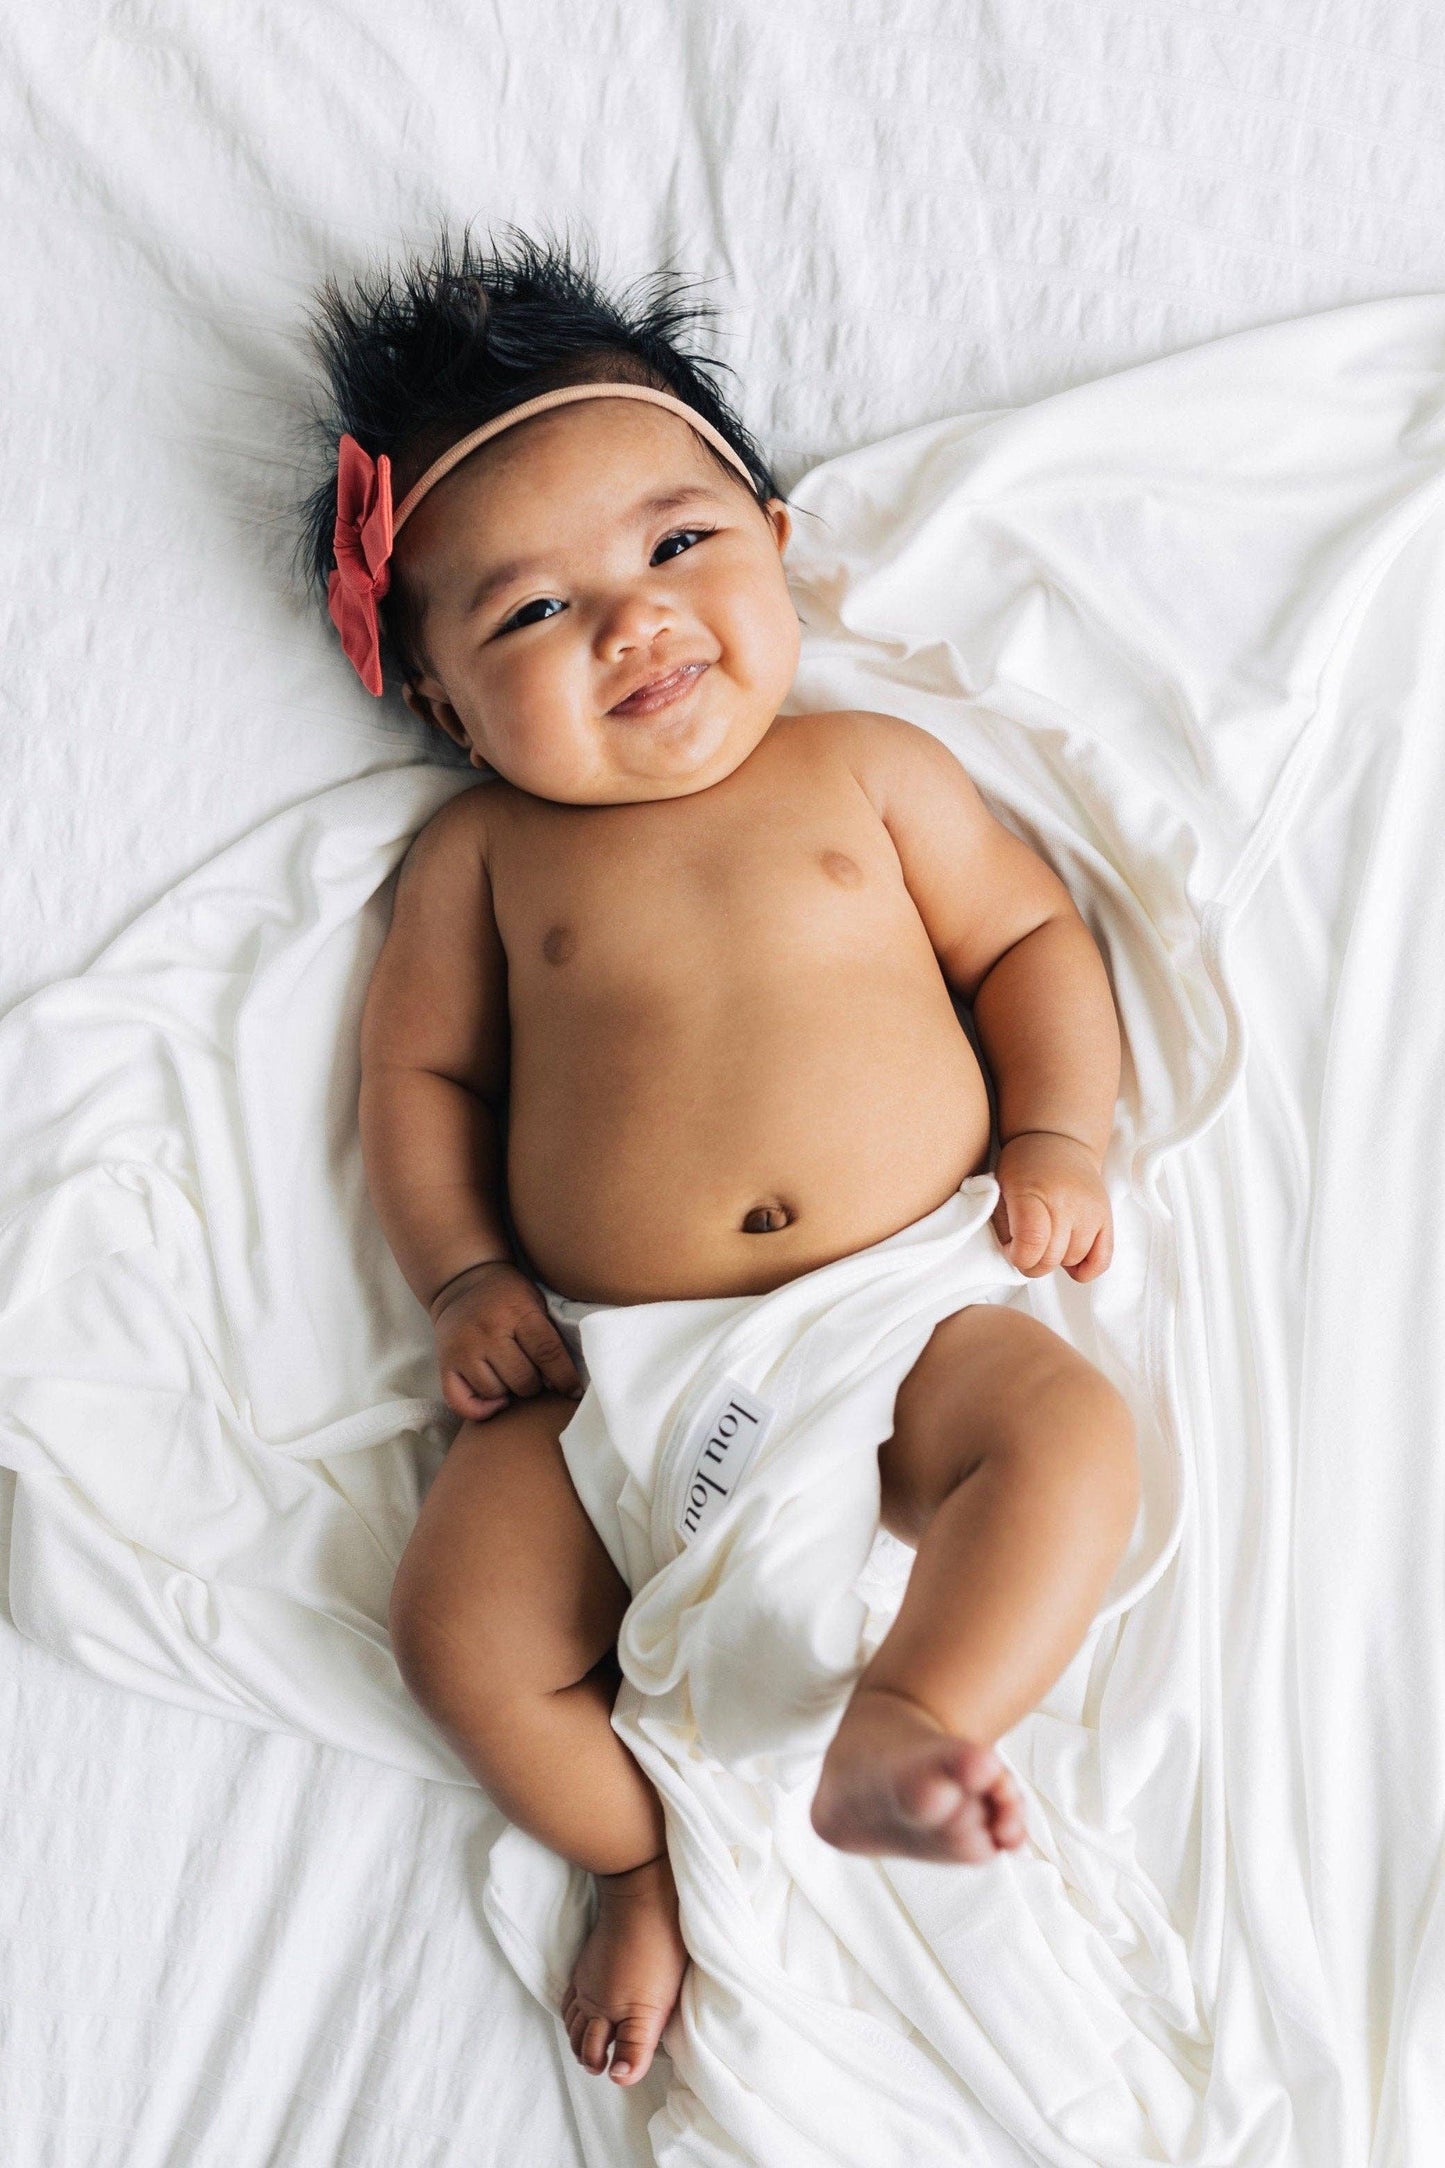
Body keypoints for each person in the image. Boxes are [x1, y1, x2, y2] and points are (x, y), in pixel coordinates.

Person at [302, 228, 1140, 2094]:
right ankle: (639, 1861)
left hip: (899, 1305)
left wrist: (1053, 1132)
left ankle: (912, 1715)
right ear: (437, 699)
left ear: (770, 537)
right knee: (456, 1631)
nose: (633, 624)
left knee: (1069, 1443)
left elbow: (1027, 941)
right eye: (532, 611)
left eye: (676, 544)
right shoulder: (478, 865)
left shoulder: (867, 771)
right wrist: (463, 1275)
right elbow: (419, 1078)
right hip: (614, 1359)